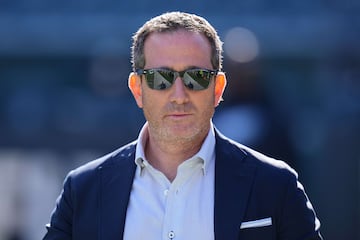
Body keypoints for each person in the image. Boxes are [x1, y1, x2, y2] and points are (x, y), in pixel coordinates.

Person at [43, 11, 322, 240]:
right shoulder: (83, 190)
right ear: (137, 89)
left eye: (196, 77)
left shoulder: (276, 185)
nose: (178, 96)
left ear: (218, 88)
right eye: (160, 78)